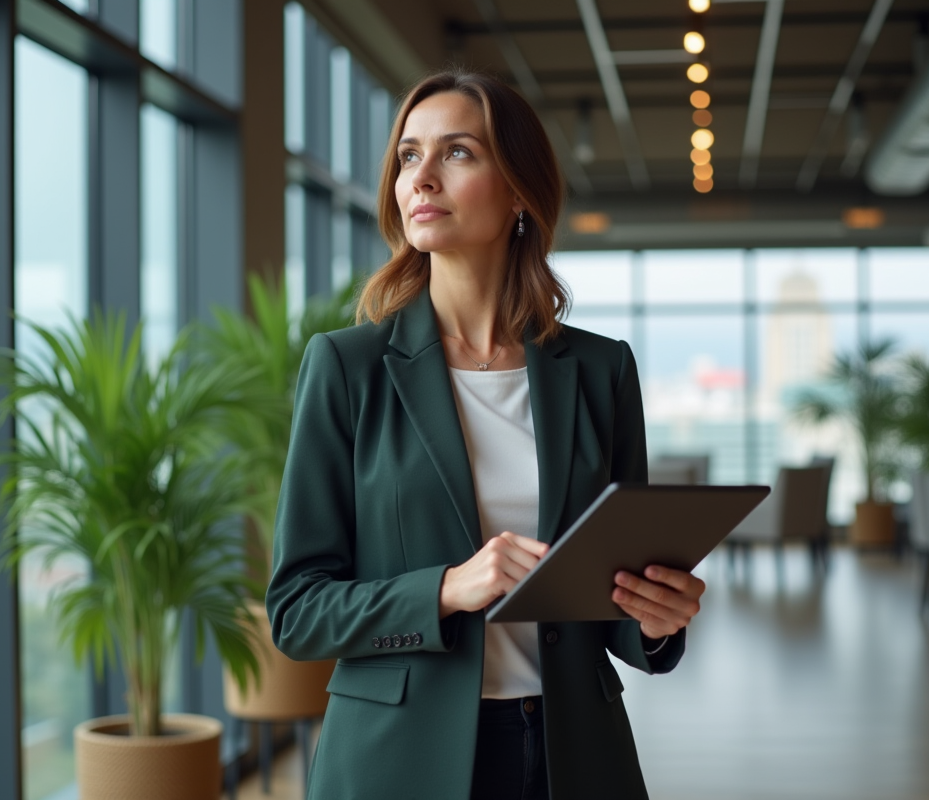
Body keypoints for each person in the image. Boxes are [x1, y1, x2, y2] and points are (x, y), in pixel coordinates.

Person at [266, 69, 706, 800]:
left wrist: (657, 620)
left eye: (457, 153)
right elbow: (297, 611)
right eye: (409, 156)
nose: (422, 178)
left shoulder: (601, 370)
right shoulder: (347, 368)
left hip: (572, 753)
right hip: (398, 761)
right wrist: (445, 588)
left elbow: (619, 608)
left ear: (518, 193)